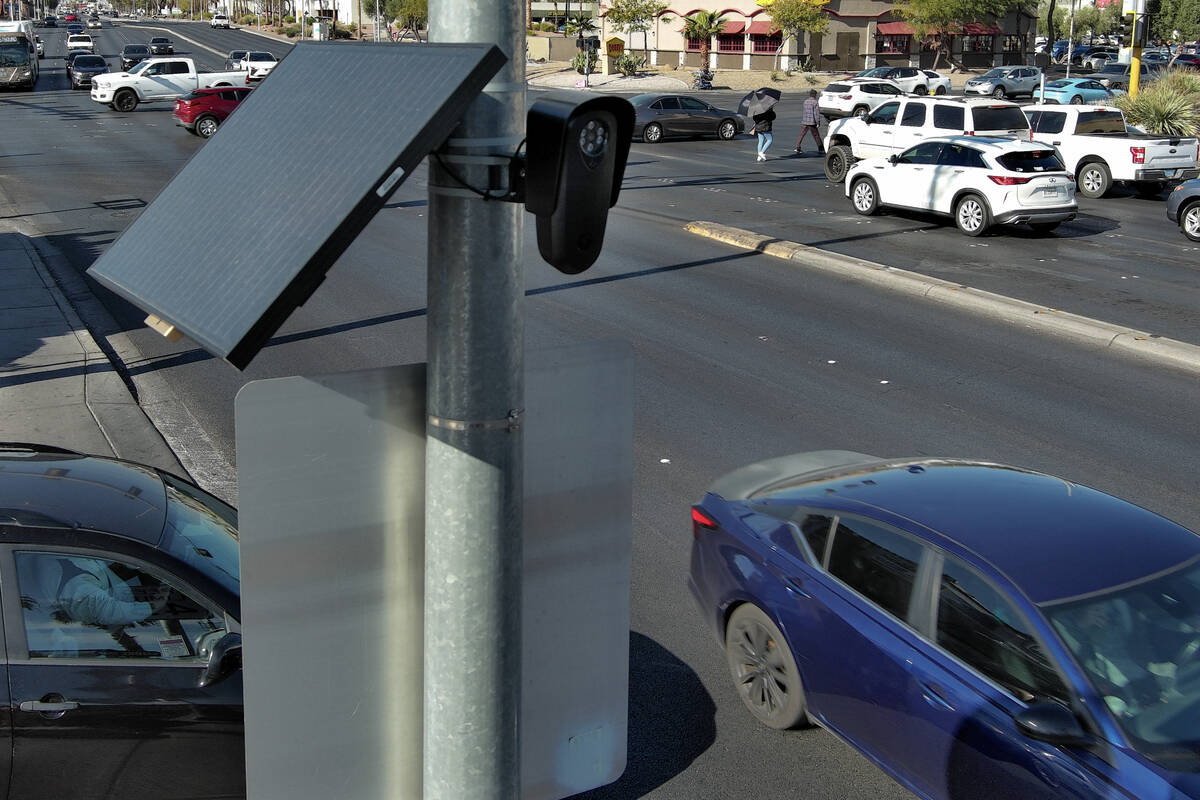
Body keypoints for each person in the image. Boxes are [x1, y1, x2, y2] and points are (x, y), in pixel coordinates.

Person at [55, 557, 169, 627]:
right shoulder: (78, 585)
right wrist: (154, 606)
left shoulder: (76, 553)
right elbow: (106, 610)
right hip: (127, 615)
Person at [794, 89, 824, 155]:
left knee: (801, 135)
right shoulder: (815, 102)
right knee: (816, 136)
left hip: (805, 121)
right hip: (812, 122)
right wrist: (818, 122)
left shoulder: (805, 101)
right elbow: (816, 113)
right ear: (814, 95)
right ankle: (821, 148)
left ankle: (798, 147)